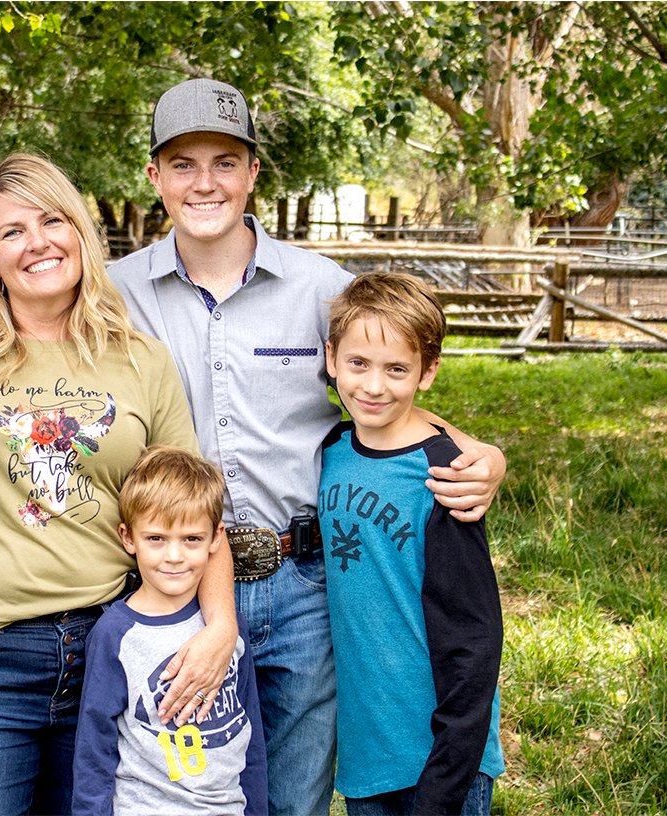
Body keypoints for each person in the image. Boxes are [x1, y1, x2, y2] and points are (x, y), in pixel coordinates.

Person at [107, 78, 507, 816]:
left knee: (293, 798)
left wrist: (481, 451)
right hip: (179, 578)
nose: (205, 182)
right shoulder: (112, 294)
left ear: (254, 173)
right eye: (183, 163)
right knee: (187, 790)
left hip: (308, 587)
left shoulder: (323, 288)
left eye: (225, 161)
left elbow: (386, 384)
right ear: (154, 175)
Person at [0, 153, 239, 816]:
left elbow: (197, 511)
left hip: (111, 646)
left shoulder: (139, 357)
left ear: (80, 233)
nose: (38, 242)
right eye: (11, 232)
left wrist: (219, 627)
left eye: (53, 220)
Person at [318, 273, 504, 816]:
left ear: (428, 372)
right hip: (367, 758)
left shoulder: (444, 477)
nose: (374, 387)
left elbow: (474, 634)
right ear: (331, 359)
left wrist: (448, 776)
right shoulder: (331, 450)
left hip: (442, 764)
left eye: (397, 369)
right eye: (358, 364)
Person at [71, 446, 268, 816]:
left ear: (216, 538)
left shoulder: (226, 627)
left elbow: (249, 732)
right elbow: (94, 749)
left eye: (191, 539)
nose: (174, 556)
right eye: (156, 539)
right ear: (128, 538)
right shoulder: (115, 634)